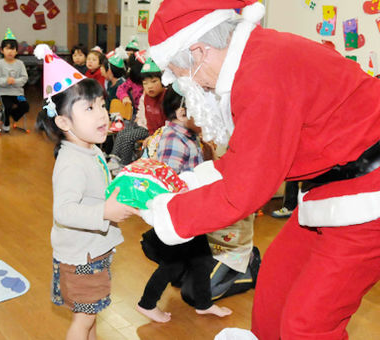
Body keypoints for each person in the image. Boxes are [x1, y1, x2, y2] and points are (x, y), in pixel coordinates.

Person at [141, 1, 380, 339]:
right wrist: (182, 187)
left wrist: (164, 211)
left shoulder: (261, 76)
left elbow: (243, 192)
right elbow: (246, 157)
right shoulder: (253, 59)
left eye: (182, 72)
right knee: (275, 286)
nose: (190, 84)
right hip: (334, 186)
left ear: (200, 50)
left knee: (307, 326)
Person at [34, 44, 138, 340]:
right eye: (89, 108)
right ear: (64, 122)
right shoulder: (70, 163)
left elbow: (100, 182)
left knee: (89, 316)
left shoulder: (89, 148)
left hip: (92, 249)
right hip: (82, 256)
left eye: (102, 105)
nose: (102, 114)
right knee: (83, 319)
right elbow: (64, 211)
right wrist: (105, 211)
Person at [137, 83, 232, 323]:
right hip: (180, 213)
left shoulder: (187, 136)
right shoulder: (174, 139)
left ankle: (203, 303)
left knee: (202, 259)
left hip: (193, 211)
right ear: (181, 113)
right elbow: (169, 181)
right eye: (199, 111)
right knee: (173, 264)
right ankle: (146, 304)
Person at [108, 57, 166, 174]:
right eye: (145, 83)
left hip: (156, 132)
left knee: (129, 138)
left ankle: (125, 164)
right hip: (143, 125)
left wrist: (153, 136)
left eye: (154, 81)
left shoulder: (165, 96)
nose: (149, 86)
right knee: (123, 132)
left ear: (162, 81)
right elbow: (141, 111)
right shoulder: (145, 96)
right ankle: (115, 159)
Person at [0, 28, 29, 132]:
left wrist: (15, 81)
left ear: (17, 51)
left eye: (13, 49)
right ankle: (6, 122)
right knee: (7, 106)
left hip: (18, 93)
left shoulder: (20, 63)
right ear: (2, 50)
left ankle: (12, 115)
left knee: (25, 106)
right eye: (8, 49)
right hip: (4, 93)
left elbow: (24, 78)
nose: (10, 52)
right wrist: (6, 81)